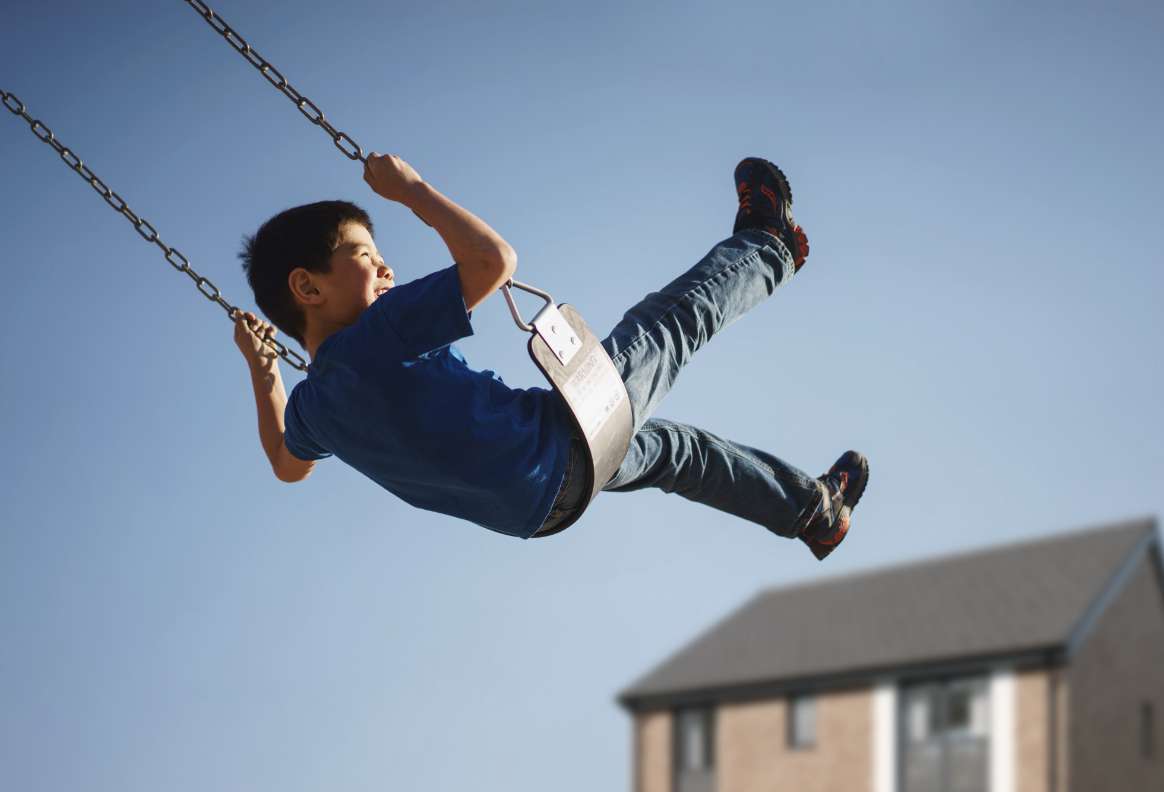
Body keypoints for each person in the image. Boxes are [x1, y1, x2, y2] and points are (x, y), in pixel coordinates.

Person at [232, 154, 868, 560]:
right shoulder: (378, 335)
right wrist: (413, 191)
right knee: (666, 327)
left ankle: (813, 511)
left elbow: (288, 464)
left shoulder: (314, 406)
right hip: (556, 445)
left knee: (679, 454)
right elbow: (492, 262)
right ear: (308, 287)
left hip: (540, 507)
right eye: (364, 255)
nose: (385, 265)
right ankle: (770, 246)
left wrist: (266, 378)